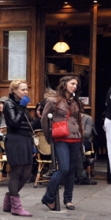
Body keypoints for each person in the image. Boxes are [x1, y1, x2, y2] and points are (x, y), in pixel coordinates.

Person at [41, 75, 84, 210]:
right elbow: (44, 119)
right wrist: (49, 138)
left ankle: (68, 199)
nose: (74, 86)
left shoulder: (75, 101)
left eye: (76, 84)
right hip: (61, 137)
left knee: (71, 170)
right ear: (65, 84)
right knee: (64, 168)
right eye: (72, 83)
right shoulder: (53, 101)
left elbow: (78, 120)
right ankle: (48, 197)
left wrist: (81, 136)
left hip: (75, 137)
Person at [2, 80, 34, 216]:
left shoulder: (22, 105)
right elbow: (14, 123)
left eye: (26, 89)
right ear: (14, 90)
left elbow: (28, 123)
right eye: (22, 90)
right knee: (16, 172)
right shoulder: (8, 104)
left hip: (26, 139)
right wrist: (21, 108)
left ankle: (9, 199)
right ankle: (15, 206)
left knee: (27, 173)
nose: (25, 92)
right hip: (16, 140)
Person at [75, 112, 98, 185]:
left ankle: (80, 176)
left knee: (76, 146)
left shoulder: (88, 119)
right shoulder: (68, 118)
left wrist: (74, 132)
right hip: (73, 141)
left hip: (85, 142)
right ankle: (84, 161)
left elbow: (87, 134)